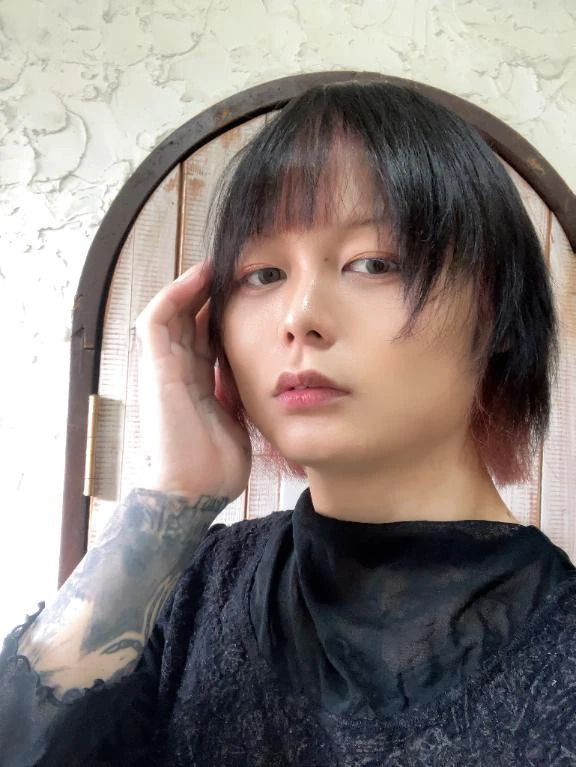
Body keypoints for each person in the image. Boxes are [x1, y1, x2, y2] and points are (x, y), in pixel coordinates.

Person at [1, 80, 575, 767]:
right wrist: (177, 494)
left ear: (498, 311)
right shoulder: (190, 588)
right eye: (263, 274)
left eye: (374, 263)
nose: (299, 316)